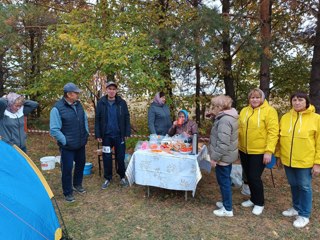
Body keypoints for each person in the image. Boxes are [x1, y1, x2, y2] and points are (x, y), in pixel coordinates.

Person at [277, 92, 320, 228]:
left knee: (305, 187)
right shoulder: (285, 117)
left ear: (306, 102)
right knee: (294, 185)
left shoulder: (316, 118)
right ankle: (295, 208)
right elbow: (280, 138)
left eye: (300, 100)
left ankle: (304, 215)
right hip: (288, 160)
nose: (296, 102)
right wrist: (278, 155)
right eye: (294, 100)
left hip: (305, 161)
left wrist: (317, 163)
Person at [238, 88, 279, 215]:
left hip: (260, 151)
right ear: (249, 99)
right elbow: (239, 128)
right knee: (248, 176)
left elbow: (273, 132)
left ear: (262, 98)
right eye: (252, 97)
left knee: (254, 177)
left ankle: (259, 203)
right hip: (244, 150)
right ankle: (253, 199)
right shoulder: (244, 110)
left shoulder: (270, 111)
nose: (254, 100)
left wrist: (268, 151)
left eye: (257, 97)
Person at [50, 83, 89, 203]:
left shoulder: (78, 105)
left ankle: (77, 185)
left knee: (80, 164)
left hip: (80, 143)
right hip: (67, 146)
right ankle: (68, 192)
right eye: (76, 93)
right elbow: (54, 129)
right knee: (67, 169)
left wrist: (86, 133)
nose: (78, 95)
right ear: (68, 94)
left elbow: (84, 119)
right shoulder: (57, 108)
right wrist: (64, 141)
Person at [95, 81, 131, 189]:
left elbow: (126, 117)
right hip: (106, 136)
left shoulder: (121, 103)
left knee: (120, 157)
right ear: (106, 90)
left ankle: (122, 177)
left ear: (116, 91)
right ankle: (108, 178)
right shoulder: (101, 102)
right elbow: (97, 119)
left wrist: (127, 132)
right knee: (107, 157)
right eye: (109, 89)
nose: (111, 91)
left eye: (113, 89)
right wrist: (98, 134)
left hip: (119, 135)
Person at [208, 95, 238, 217]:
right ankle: (226, 203)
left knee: (224, 182)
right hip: (227, 156)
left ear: (220, 107)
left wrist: (214, 158)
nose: (212, 108)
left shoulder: (225, 120)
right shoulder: (228, 116)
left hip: (223, 157)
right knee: (225, 181)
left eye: (213, 106)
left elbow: (223, 143)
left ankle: (228, 209)